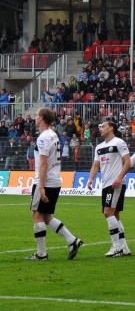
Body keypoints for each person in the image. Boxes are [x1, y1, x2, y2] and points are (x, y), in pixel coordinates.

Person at [27, 107, 83, 260]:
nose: (35, 118)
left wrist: (41, 186)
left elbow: (43, 163)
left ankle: (41, 254)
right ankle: (73, 240)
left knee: (37, 215)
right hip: (55, 180)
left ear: (43, 118)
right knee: (46, 216)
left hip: (45, 180)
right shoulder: (53, 135)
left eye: (37, 115)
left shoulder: (43, 137)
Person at [87, 121, 132, 257]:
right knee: (115, 215)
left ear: (111, 128)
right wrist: (91, 179)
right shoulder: (99, 147)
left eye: (103, 126)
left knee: (108, 212)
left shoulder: (119, 142)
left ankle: (116, 247)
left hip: (116, 183)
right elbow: (95, 165)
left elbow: (128, 161)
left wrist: (119, 177)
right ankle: (124, 247)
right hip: (105, 184)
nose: (100, 128)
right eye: (100, 126)